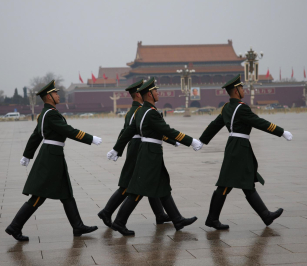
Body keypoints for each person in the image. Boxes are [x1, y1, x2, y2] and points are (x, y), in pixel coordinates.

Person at [5, 80, 101, 241]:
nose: (58, 95)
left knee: (66, 194)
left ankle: (77, 226)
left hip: (53, 155)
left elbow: (36, 136)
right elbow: (68, 130)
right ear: (48, 97)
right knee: (38, 196)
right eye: (55, 93)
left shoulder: (45, 114)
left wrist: (27, 155)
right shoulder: (51, 114)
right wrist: (90, 138)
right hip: (50, 158)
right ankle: (14, 227)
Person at [107, 77, 203, 236]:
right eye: (155, 91)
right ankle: (119, 222)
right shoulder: (150, 113)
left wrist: (116, 149)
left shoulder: (141, 112)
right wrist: (190, 141)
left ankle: (177, 219)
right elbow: (167, 130)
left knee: (163, 186)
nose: (158, 93)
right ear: (149, 94)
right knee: (137, 191)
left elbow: (128, 132)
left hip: (150, 153)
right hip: (150, 154)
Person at [199, 74, 293, 230]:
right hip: (239, 148)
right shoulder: (241, 108)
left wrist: (202, 140)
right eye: (241, 88)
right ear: (236, 91)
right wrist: (281, 132)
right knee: (226, 185)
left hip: (235, 146)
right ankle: (213, 218)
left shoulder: (227, 107)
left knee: (245, 183)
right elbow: (259, 122)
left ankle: (265, 216)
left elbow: (214, 125)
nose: (243, 90)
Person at [98, 80, 175, 227]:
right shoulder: (140, 111)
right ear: (140, 94)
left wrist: (117, 149)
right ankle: (107, 212)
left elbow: (124, 132)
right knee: (130, 185)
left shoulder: (132, 111)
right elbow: (134, 131)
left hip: (136, 147)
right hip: (139, 148)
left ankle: (160, 214)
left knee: (150, 182)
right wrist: (117, 149)